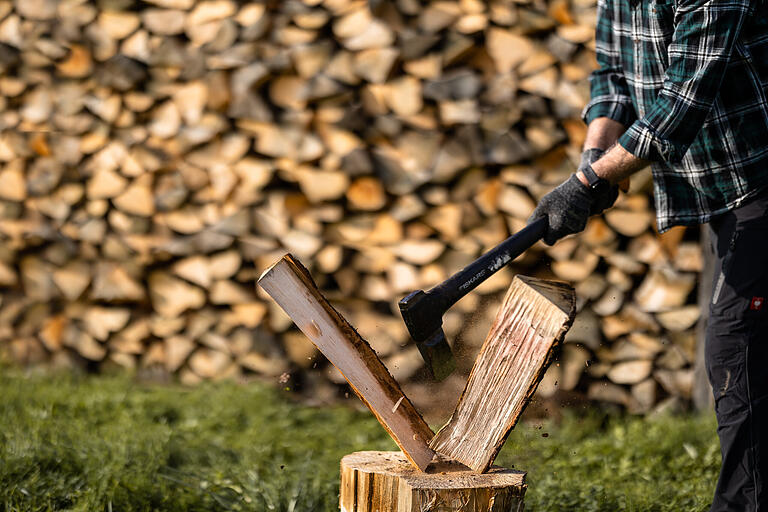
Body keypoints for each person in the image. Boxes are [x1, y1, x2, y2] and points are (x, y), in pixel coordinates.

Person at [528, 0, 768, 508]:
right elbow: (612, 73)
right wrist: (595, 152)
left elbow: (684, 98)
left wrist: (587, 182)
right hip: (722, 188)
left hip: (762, 177)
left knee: (736, 345)